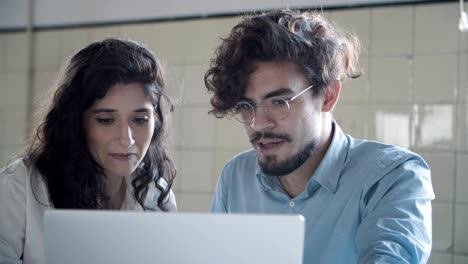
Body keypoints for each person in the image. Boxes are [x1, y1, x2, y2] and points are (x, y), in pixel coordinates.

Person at [204, 9, 434, 263]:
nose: (259, 124)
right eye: (247, 106)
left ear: (328, 96)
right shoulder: (235, 177)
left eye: (279, 101)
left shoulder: (392, 177)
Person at [0, 38, 177, 264]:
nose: (127, 138)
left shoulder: (156, 194)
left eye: (140, 119)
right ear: (75, 122)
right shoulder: (17, 189)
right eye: (106, 120)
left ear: (156, 121)